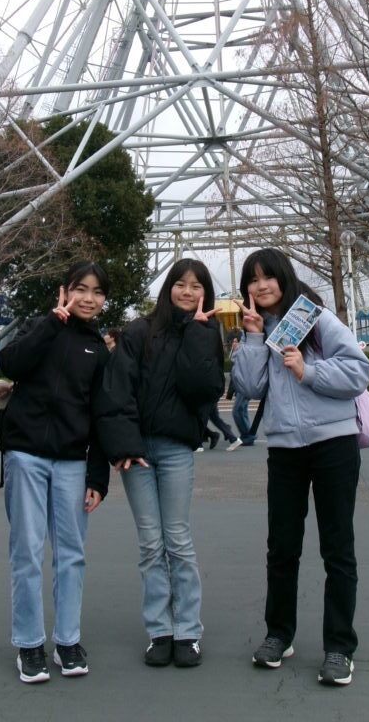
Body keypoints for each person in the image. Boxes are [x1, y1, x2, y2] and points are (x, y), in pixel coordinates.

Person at [231, 248, 369, 687]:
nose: (260, 286)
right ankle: (279, 635)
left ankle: (339, 647)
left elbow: (358, 371)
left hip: (333, 444)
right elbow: (248, 387)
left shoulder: (317, 318)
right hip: (285, 448)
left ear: (283, 278)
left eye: (267, 277)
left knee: (337, 548)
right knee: (282, 547)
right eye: (252, 280)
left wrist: (307, 370)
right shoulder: (259, 329)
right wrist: (253, 338)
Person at [96, 258, 224, 668]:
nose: (187, 292)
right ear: (169, 287)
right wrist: (124, 445)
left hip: (176, 449)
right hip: (138, 451)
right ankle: (159, 631)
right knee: (151, 543)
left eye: (196, 286)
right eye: (180, 284)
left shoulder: (207, 333)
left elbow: (204, 388)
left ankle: (188, 631)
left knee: (177, 539)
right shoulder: (139, 331)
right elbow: (117, 389)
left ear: (205, 293)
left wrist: (199, 334)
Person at [0, 262, 110, 683]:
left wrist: (97, 477)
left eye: (97, 292)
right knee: (26, 551)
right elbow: (10, 363)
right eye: (81, 289)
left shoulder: (98, 349)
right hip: (25, 454)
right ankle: (29, 643)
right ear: (65, 290)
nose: (88, 299)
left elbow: (101, 416)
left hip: (72, 461)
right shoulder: (38, 326)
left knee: (71, 554)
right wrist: (50, 322)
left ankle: (67, 640)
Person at [228, 338, 255, 449]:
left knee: (237, 410)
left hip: (245, 383)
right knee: (242, 410)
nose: (234, 343)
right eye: (233, 341)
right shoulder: (236, 352)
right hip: (241, 384)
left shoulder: (243, 351)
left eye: (236, 341)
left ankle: (248, 435)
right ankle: (248, 435)